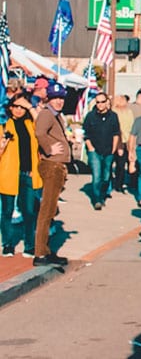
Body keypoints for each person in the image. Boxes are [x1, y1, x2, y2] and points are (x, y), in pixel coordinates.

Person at [33, 82, 70, 266]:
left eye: (61, 98)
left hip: (58, 166)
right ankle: (40, 253)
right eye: (55, 98)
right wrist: (49, 149)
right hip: (52, 165)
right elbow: (39, 133)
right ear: (48, 98)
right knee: (47, 210)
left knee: (51, 209)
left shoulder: (55, 115)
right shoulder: (47, 114)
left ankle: (45, 250)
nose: (59, 101)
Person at [0, 94, 42, 258]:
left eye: (22, 107)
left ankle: (29, 245)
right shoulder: (4, 126)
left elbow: (42, 125)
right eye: (16, 106)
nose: (19, 110)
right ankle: (8, 244)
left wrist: (30, 107)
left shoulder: (30, 124)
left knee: (29, 211)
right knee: (7, 210)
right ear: (10, 108)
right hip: (8, 172)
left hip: (28, 172)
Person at [82, 92, 121, 210]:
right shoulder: (90, 116)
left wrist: (114, 148)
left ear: (107, 102)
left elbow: (116, 133)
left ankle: (102, 195)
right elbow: (85, 134)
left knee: (106, 176)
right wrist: (90, 147)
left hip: (109, 150)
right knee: (97, 175)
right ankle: (97, 199)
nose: (100, 104)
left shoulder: (113, 116)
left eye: (102, 102)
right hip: (94, 150)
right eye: (97, 102)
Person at [112, 94, 134, 193]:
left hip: (126, 139)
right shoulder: (115, 111)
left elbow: (131, 126)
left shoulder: (128, 111)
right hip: (119, 140)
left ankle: (121, 183)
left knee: (124, 163)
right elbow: (117, 128)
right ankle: (118, 184)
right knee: (120, 164)